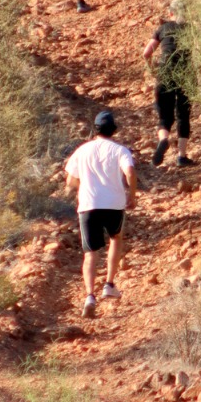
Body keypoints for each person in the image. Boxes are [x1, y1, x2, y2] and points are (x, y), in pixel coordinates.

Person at [64, 109, 137, 318]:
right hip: (114, 204)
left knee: (90, 253)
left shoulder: (82, 150)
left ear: (95, 129)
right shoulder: (120, 150)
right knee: (116, 238)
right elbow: (130, 172)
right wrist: (132, 195)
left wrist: (83, 185)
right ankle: (109, 284)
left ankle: (89, 296)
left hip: (88, 205)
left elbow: (70, 181)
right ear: (113, 130)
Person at [143, 0, 194, 166]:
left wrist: (152, 69)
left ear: (170, 13)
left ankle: (163, 139)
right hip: (185, 73)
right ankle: (182, 156)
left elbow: (146, 53)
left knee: (165, 115)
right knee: (183, 114)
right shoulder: (191, 30)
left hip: (165, 72)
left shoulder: (162, 29)